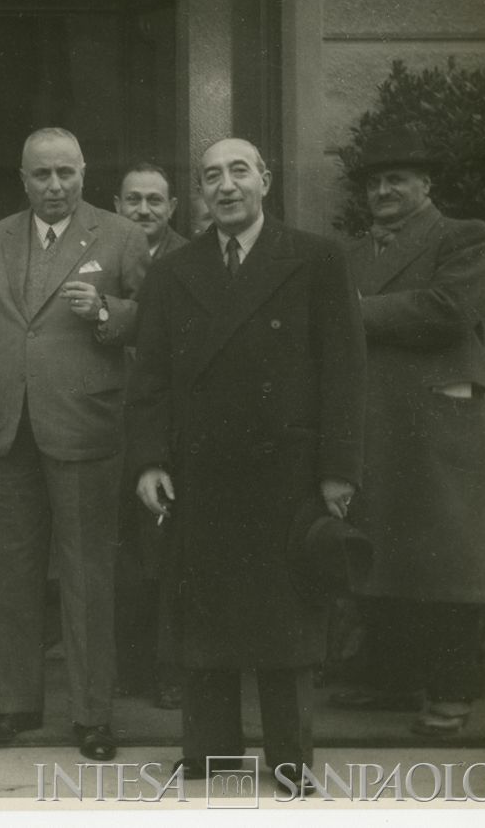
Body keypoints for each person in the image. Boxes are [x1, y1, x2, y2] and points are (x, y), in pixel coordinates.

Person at [126, 137, 365, 787]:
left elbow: (344, 373)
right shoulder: (174, 270)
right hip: (199, 473)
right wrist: (148, 461)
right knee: (205, 618)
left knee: (285, 624)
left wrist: (338, 469)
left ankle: (289, 759)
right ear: (200, 193)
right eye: (211, 176)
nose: (226, 186)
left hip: (285, 473)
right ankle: (210, 753)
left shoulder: (315, 259)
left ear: (266, 178)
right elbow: (148, 378)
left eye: (239, 171)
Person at [0, 127, 150, 762]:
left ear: (85, 172)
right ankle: (16, 703)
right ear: (23, 178)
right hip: (8, 426)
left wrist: (104, 312)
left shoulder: (120, 235)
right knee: (10, 572)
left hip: (85, 425)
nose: (55, 185)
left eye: (66, 172)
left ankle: (92, 715)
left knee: (88, 573)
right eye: (42, 175)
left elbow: (154, 318)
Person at [330, 126, 485, 736]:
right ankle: (395, 681)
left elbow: (450, 311)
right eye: (374, 182)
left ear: (426, 185)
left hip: (436, 419)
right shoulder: (349, 254)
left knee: (447, 557)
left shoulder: (464, 236)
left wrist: (350, 310)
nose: (383, 190)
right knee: (382, 548)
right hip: (373, 415)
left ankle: (451, 696)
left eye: (397, 179)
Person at [111, 162, 186, 709]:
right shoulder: (103, 252)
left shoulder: (193, 258)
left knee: (168, 553)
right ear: (117, 206)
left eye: (155, 201)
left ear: (173, 206)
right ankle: (128, 669)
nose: (144, 211)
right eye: (133, 200)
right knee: (124, 557)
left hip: (174, 427)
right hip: (109, 423)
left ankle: (172, 670)